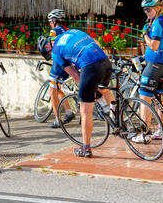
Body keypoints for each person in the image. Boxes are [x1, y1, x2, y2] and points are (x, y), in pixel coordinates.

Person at [48, 29, 115, 157]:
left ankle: (86, 149)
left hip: (90, 66)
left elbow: (76, 77)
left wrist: (88, 87)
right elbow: (95, 42)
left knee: (85, 110)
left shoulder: (55, 52)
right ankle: (118, 123)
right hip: (105, 61)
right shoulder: (73, 31)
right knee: (104, 90)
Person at [133, 0, 163, 143]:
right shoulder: (161, 22)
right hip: (159, 64)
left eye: (149, 9)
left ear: (158, 8)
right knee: (158, 99)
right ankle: (161, 131)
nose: (146, 12)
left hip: (154, 65)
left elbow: (153, 45)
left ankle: (144, 133)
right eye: (145, 10)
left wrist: (145, 34)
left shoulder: (157, 24)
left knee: (144, 98)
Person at [44, 9, 74, 128]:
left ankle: (57, 120)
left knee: (52, 91)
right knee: (57, 88)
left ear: (54, 21)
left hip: (58, 63)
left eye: (50, 21)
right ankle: (69, 111)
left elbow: (52, 47)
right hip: (69, 62)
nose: (50, 23)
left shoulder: (54, 31)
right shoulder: (67, 30)